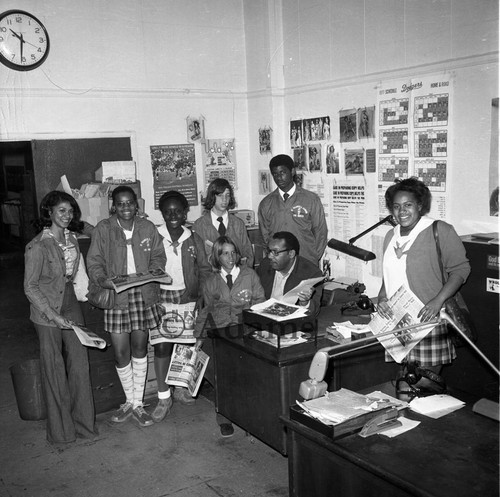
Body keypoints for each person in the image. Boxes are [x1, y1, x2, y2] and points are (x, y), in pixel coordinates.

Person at [86, 185, 166, 427]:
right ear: (114, 206)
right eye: (120, 204)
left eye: (130, 203)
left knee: (140, 348)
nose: (126, 207)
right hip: (117, 296)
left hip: (144, 294)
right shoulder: (104, 228)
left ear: (136, 204)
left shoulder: (147, 227)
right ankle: (129, 401)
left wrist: (153, 271)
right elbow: (94, 260)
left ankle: (138, 404)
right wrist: (103, 280)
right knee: (121, 352)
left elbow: (159, 256)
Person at [376, 177, 471, 381]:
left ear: (420, 205)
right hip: (399, 323)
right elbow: (389, 276)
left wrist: (437, 301)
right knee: (403, 383)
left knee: (425, 385)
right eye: (396, 206)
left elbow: (461, 270)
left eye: (408, 205)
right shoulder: (390, 236)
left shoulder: (440, 230)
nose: (402, 211)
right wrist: (382, 297)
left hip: (429, 320)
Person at [24, 191, 98, 444]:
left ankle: (85, 426)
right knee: (54, 368)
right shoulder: (37, 246)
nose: (67, 216)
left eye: (71, 210)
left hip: (68, 299)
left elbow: (93, 231)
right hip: (45, 309)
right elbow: (30, 287)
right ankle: (62, 432)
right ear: (49, 213)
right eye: (61, 211)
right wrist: (53, 316)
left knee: (79, 363)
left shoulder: (72, 238)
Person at [194, 236, 265, 437]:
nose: (231, 257)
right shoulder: (210, 281)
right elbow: (207, 310)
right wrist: (199, 336)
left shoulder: (249, 275)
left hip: (246, 330)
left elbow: (260, 303)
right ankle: (224, 416)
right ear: (217, 256)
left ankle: (249, 415)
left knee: (249, 373)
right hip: (221, 332)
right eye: (225, 253)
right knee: (219, 372)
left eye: (233, 252)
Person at [151, 191, 211, 422]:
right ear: (162, 213)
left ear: (186, 212)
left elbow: (204, 269)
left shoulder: (193, 238)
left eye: (178, 211)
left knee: (185, 346)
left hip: (187, 298)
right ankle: (164, 396)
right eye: (168, 211)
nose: (173, 215)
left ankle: (180, 388)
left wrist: (201, 297)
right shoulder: (154, 236)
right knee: (162, 348)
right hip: (161, 298)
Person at [258, 154, 328, 266]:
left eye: (282, 173)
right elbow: (265, 236)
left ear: (292, 171)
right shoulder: (266, 203)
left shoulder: (311, 199)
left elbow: (320, 233)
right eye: (275, 174)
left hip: (305, 262)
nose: (279, 178)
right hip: (279, 265)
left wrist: (313, 257)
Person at [256, 232, 324, 318]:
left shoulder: (311, 273)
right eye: (269, 251)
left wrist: (305, 302)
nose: (270, 256)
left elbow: (314, 311)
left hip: (291, 321)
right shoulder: (265, 265)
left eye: (275, 252)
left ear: (291, 253)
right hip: (264, 317)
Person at [193, 178, 254, 267]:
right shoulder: (199, 225)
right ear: (212, 196)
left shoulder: (238, 224)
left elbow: (248, 256)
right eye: (220, 195)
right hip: (211, 278)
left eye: (227, 195)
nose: (224, 199)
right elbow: (197, 261)